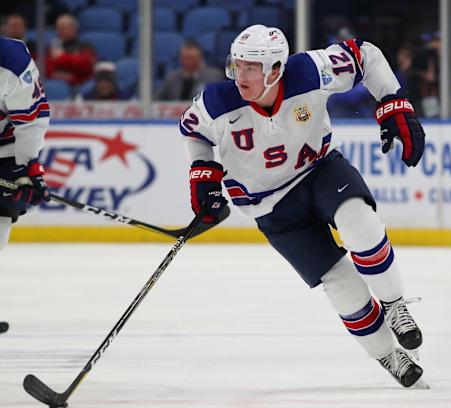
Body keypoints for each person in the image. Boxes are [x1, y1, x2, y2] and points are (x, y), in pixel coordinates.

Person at [180, 25, 426, 387]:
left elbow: (366, 55)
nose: (240, 76)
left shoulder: (310, 71)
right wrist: (202, 173)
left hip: (319, 170)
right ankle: (388, 354)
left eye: (251, 68)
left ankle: (394, 304)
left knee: (359, 222)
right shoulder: (216, 102)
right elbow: (192, 131)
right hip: (270, 208)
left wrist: (392, 103)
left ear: (276, 70)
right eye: (237, 65)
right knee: (339, 281)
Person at [0, 36, 51, 334]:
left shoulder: (12, 61)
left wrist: (28, 167)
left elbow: (31, 121)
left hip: (6, 149)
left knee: (2, 220)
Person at [157, 39, 224, 101]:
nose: (187, 62)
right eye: (185, 58)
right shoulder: (171, 78)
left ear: (200, 59)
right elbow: (157, 99)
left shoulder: (214, 77)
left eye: (191, 58)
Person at [46, 14, 96, 86]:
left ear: (73, 28)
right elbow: (46, 68)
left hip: (79, 86)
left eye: (62, 28)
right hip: (57, 85)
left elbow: (85, 67)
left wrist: (61, 57)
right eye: (57, 28)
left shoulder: (85, 46)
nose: (59, 31)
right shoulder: (53, 46)